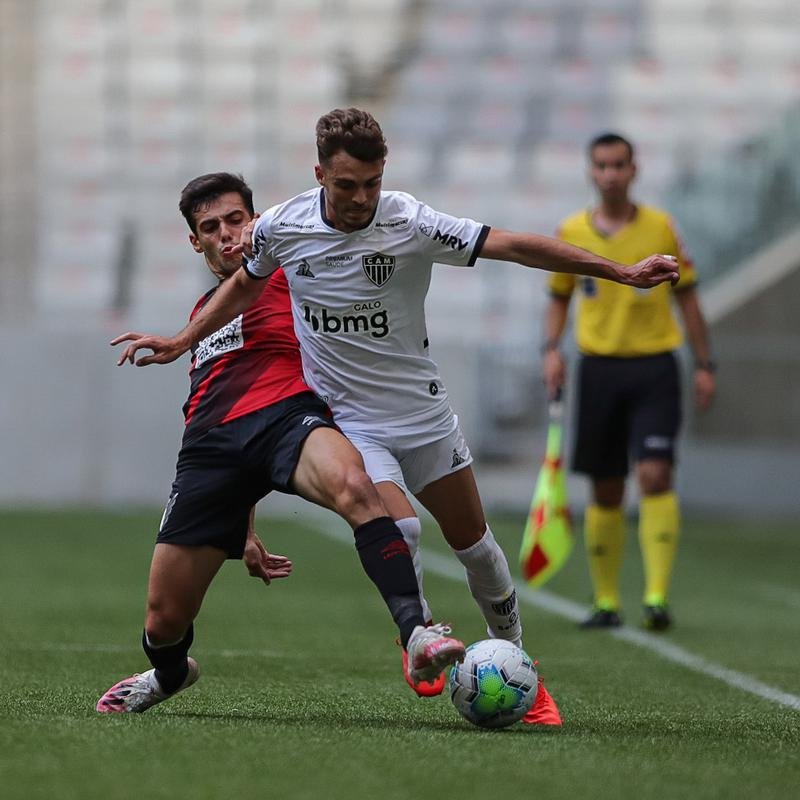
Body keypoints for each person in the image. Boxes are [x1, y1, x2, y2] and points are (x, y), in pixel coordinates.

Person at [113, 109, 679, 724]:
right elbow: (245, 287)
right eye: (347, 184)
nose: (361, 198)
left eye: (372, 183)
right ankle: (417, 636)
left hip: (422, 414)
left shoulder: (408, 220)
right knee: (395, 525)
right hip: (348, 418)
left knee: (479, 551)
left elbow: (511, 244)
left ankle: (519, 665)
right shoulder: (283, 231)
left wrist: (617, 272)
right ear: (320, 175)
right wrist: (181, 339)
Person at [96, 172, 466, 714]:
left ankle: (417, 634)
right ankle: (171, 673)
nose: (225, 234)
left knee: (353, 484)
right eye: (209, 227)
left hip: (290, 419)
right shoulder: (203, 314)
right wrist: (242, 528)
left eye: (235, 220)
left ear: (256, 221)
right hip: (209, 451)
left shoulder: (299, 274)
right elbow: (211, 403)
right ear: (194, 241)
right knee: (164, 620)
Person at [541, 133, 716, 632]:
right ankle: (607, 600)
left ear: (634, 169)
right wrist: (551, 350)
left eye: (619, 165)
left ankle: (657, 596)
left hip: (654, 367)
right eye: (601, 165)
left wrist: (705, 364)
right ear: (590, 172)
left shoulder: (662, 226)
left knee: (656, 474)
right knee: (606, 487)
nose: (611, 174)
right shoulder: (572, 229)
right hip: (598, 370)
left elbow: (689, 298)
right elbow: (559, 295)